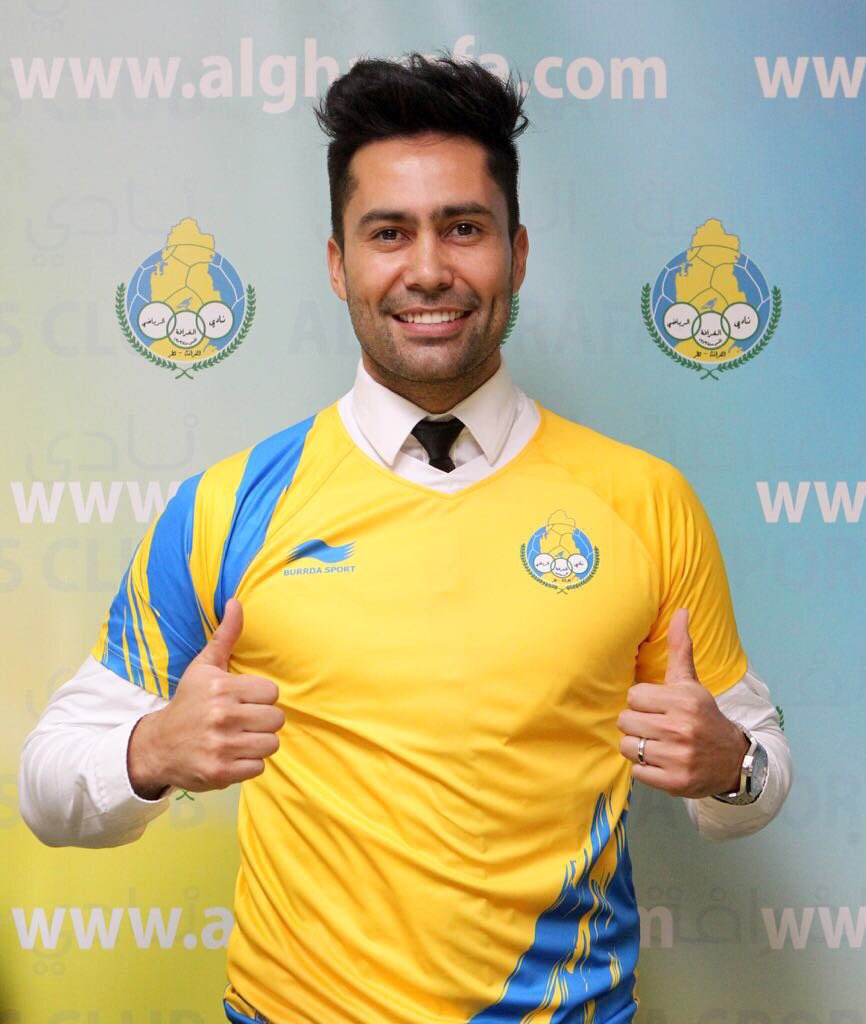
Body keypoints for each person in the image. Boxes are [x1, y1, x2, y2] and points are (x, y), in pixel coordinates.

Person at [20, 55, 792, 1024]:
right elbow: (46, 785)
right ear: (337, 261)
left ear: (516, 251)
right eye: (388, 232)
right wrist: (150, 750)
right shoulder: (229, 504)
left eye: (462, 228)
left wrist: (731, 767)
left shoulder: (645, 500)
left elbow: (753, 769)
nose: (427, 269)